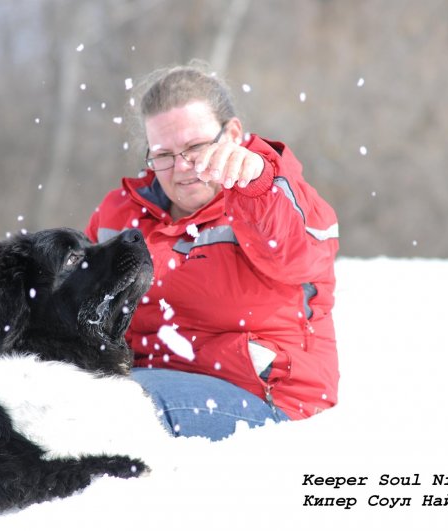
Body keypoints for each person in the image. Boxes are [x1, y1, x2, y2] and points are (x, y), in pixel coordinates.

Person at [84, 61, 339, 441]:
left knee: (125, 408)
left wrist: (258, 185)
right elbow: (79, 307)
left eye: (195, 148)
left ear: (232, 134)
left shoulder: (273, 197)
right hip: (144, 380)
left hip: (265, 399)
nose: (182, 168)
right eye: (163, 155)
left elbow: (299, 254)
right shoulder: (119, 215)